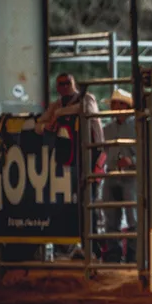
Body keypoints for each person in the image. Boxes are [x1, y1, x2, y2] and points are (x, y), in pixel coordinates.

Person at [38, 73, 105, 259]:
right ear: (57, 87)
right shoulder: (58, 104)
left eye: (68, 83)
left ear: (73, 83)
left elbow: (85, 109)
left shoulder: (86, 98)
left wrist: (57, 115)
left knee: (88, 203)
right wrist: (47, 126)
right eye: (61, 84)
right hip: (71, 160)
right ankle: (82, 247)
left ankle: (92, 247)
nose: (65, 86)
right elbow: (40, 123)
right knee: (74, 205)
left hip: (91, 155)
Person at [100, 88, 137, 263]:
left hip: (131, 176)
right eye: (114, 103)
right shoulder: (107, 129)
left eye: (119, 103)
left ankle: (133, 253)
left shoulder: (137, 125)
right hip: (113, 174)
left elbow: (147, 151)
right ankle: (114, 253)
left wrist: (133, 160)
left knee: (132, 216)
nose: (115, 107)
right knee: (111, 215)